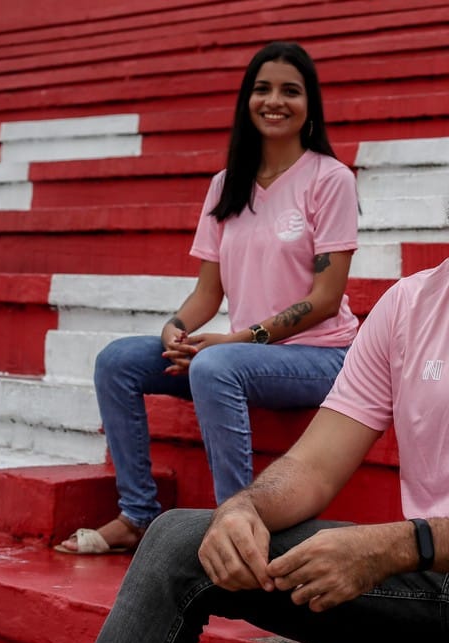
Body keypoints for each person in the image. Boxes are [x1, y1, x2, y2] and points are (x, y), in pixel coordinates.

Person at [91, 73, 449, 643]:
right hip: (426, 582)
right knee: (176, 540)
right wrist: (246, 508)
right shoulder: (409, 304)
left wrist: (398, 545)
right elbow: (314, 468)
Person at [56, 42, 359, 555]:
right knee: (119, 361)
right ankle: (137, 514)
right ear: (247, 100)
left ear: (310, 105)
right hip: (247, 355)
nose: (275, 101)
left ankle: (235, 527)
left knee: (216, 366)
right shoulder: (226, 185)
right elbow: (207, 293)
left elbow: (327, 298)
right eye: (262, 89)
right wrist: (175, 329)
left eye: (291, 91)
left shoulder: (330, 179)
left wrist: (234, 340)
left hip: (322, 357)